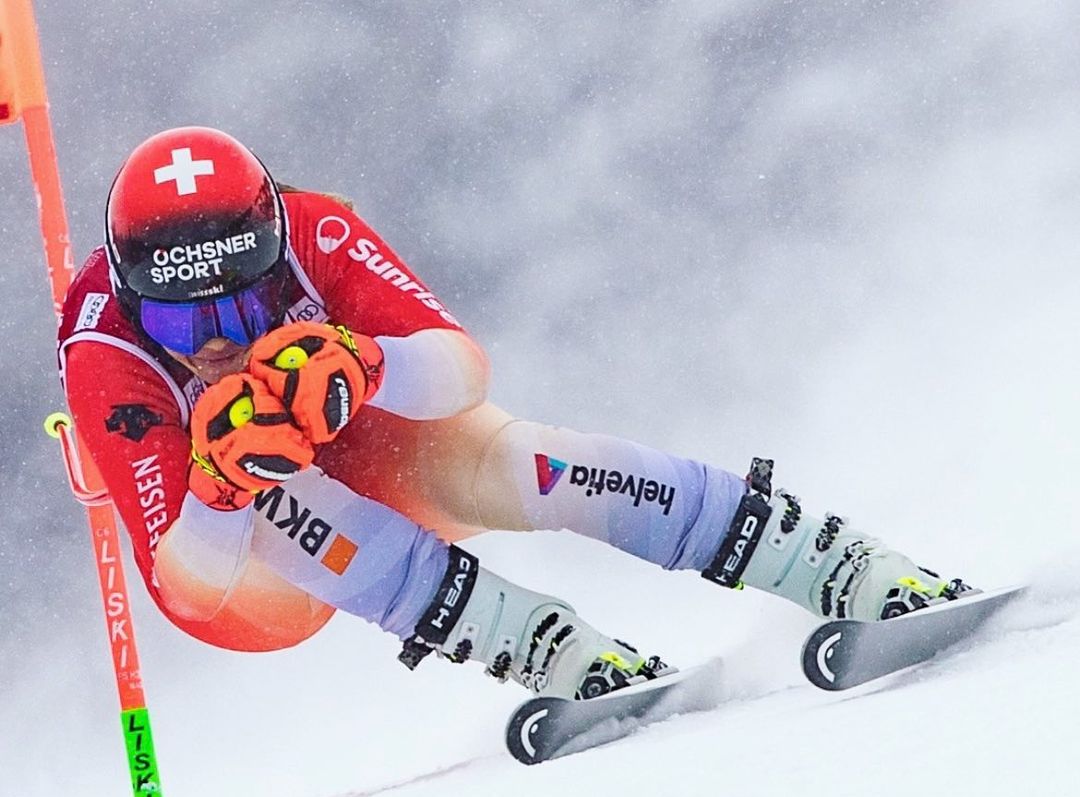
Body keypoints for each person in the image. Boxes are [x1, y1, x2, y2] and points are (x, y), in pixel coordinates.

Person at [57, 126, 968, 700]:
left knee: (521, 462)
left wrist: (366, 363)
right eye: (180, 321)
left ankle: (835, 562)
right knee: (269, 490)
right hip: (244, 572)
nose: (217, 343)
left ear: (274, 252)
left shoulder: (316, 230)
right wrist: (218, 484)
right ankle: (541, 645)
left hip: (359, 435)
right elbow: (188, 589)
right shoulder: (104, 347)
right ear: (136, 304)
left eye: (245, 306)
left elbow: (459, 372)